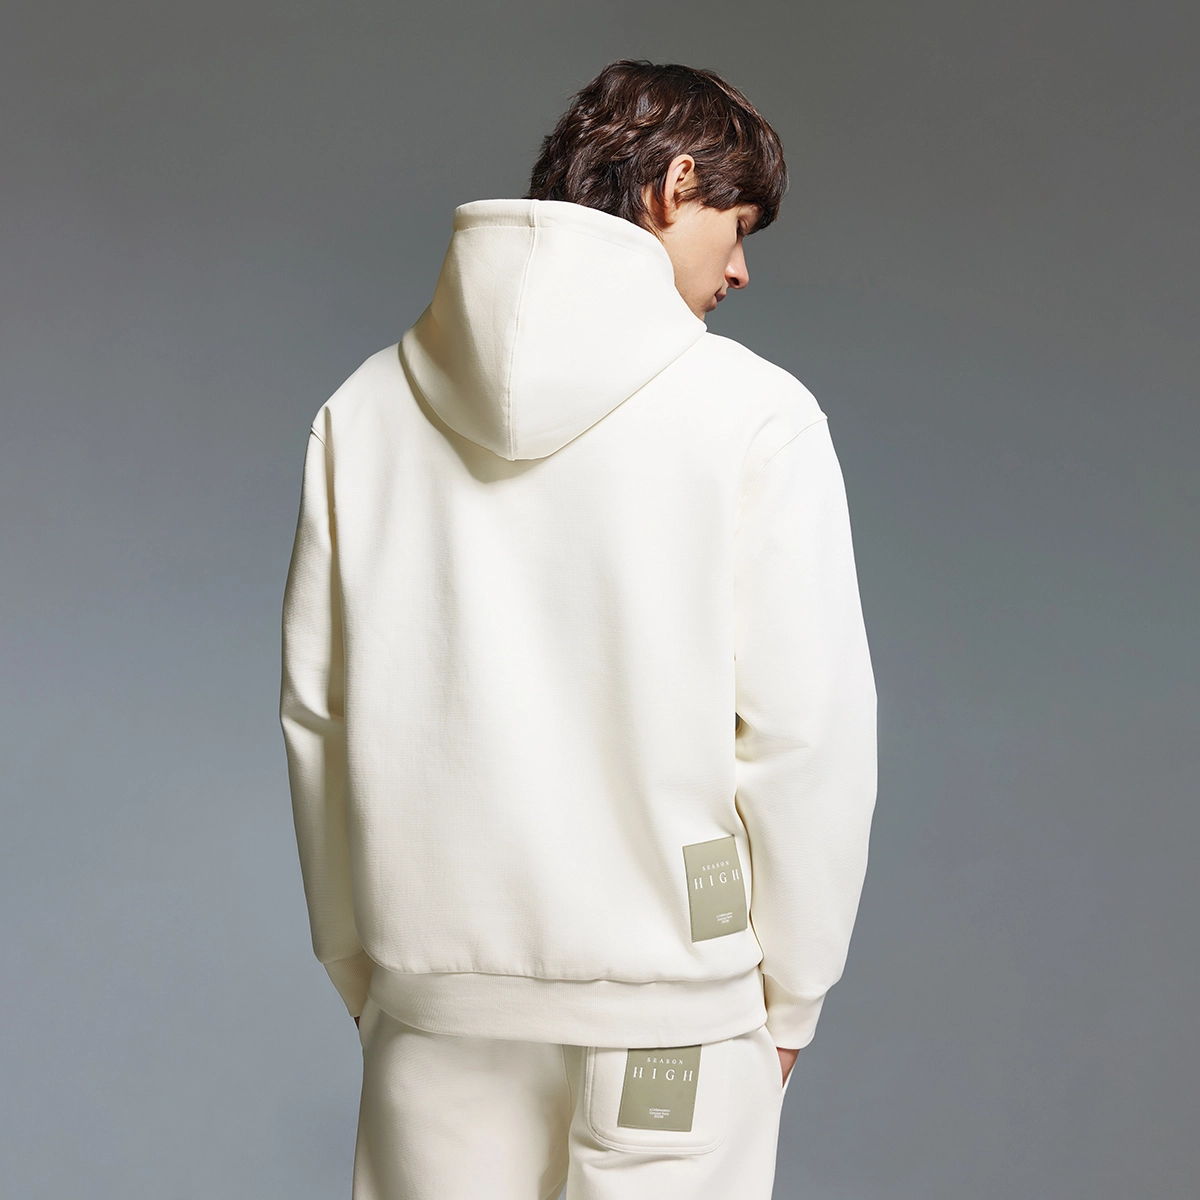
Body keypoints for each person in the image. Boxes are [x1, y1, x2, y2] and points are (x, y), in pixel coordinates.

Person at [279, 59, 877, 1200]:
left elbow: (319, 720)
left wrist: (370, 968)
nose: (740, 269)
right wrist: (793, 995)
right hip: (674, 1009)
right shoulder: (757, 418)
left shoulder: (362, 414)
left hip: (433, 1009)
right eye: (738, 226)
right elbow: (805, 738)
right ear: (677, 183)